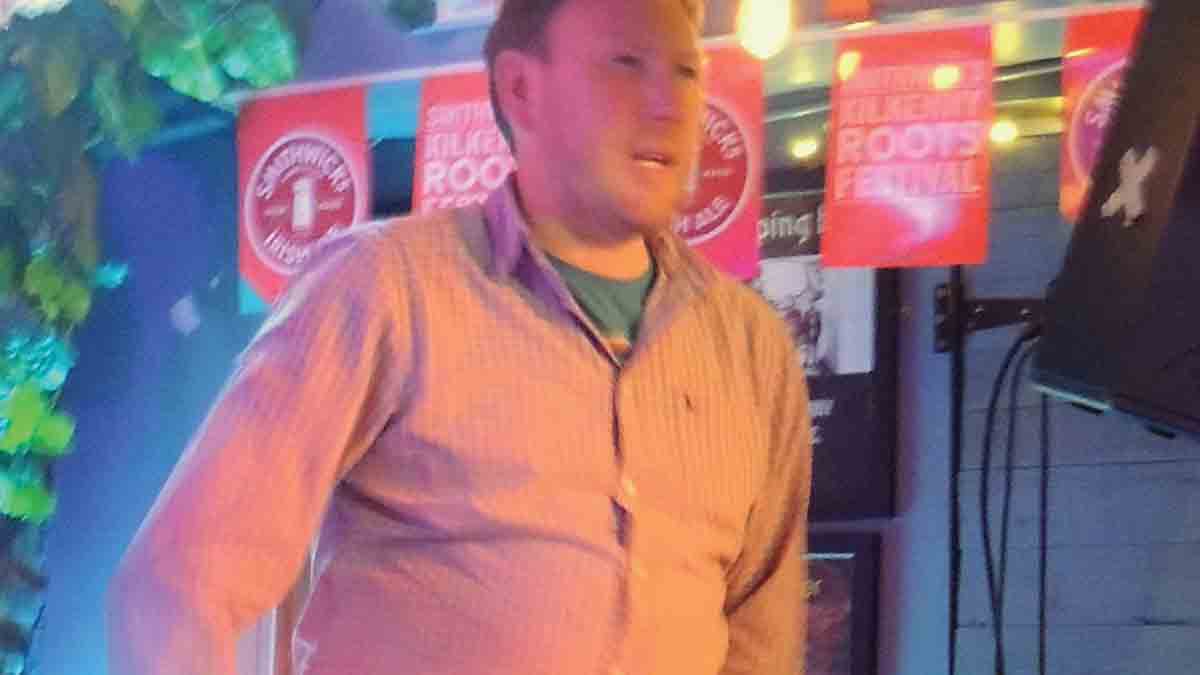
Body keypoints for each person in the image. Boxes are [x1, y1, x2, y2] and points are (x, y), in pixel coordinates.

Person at [107, 0, 814, 673]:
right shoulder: (383, 287)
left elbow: (762, 645)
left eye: (686, 71)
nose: (669, 104)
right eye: (626, 63)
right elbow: (176, 584)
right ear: (520, 90)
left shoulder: (752, 349)